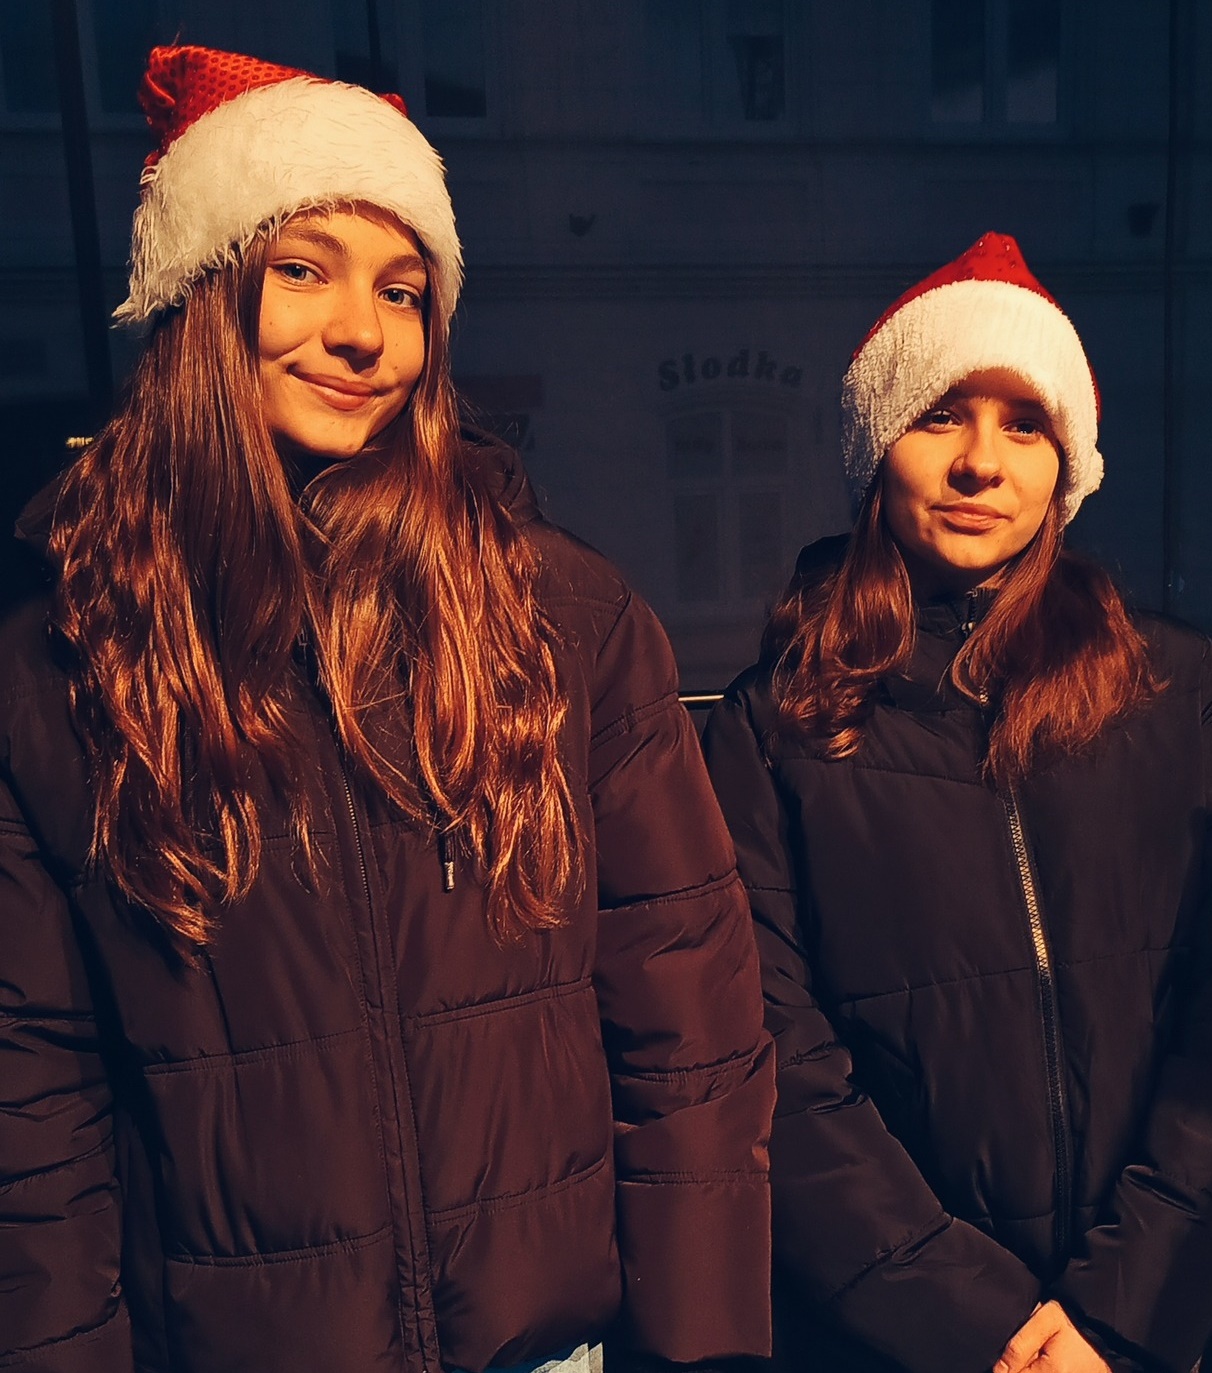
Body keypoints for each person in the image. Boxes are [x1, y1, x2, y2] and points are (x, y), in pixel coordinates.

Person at [0, 46, 772, 1373]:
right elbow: (34, 1094)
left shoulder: (560, 617)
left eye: (402, 290)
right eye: (303, 270)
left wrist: (699, 1351)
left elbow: (687, 1019)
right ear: (202, 295)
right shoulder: (72, 663)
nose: (364, 331)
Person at [701, 233, 1212, 1373]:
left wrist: (1118, 1310)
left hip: (1136, 1331)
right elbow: (769, 1055)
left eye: (1024, 424)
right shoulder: (773, 725)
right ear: (874, 447)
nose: (981, 462)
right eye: (939, 415)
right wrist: (967, 1319)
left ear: (1066, 465)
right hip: (897, 1339)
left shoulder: (1171, 687)